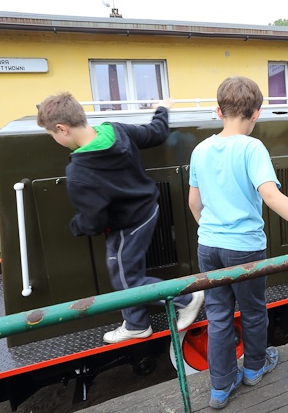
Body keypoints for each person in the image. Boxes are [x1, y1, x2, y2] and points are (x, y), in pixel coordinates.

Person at [188, 76, 288, 409]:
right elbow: (271, 196)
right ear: (257, 114)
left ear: (218, 111)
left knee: (218, 315)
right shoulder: (252, 148)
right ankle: (253, 368)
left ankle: (221, 386)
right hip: (244, 248)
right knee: (252, 310)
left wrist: (212, 231)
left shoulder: (200, 149)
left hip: (208, 246)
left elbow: (194, 202)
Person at [37, 92, 204, 344]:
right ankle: (137, 323)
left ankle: (186, 299)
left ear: (62, 129)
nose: (54, 139)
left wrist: (75, 227)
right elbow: (156, 133)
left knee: (127, 280)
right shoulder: (115, 130)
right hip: (147, 207)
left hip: (128, 224)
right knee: (124, 271)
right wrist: (161, 109)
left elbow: (93, 221)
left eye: (51, 134)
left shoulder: (80, 171)